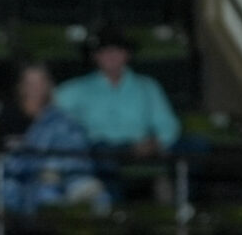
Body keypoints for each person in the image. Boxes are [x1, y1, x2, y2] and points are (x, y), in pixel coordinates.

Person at [0, 62, 108, 216]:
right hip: (22, 180)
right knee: (44, 192)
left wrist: (57, 169)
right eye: (30, 83)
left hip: (63, 174)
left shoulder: (60, 119)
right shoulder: (7, 117)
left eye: (40, 82)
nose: (35, 88)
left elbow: (76, 147)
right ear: (21, 87)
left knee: (97, 196)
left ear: (49, 85)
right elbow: (5, 161)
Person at [52, 26, 180, 159]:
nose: (111, 55)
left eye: (117, 50)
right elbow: (50, 114)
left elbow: (167, 124)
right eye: (104, 51)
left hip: (138, 150)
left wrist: (154, 143)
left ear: (127, 54)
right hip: (97, 153)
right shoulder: (75, 89)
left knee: (196, 146)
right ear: (95, 56)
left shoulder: (147, 86)